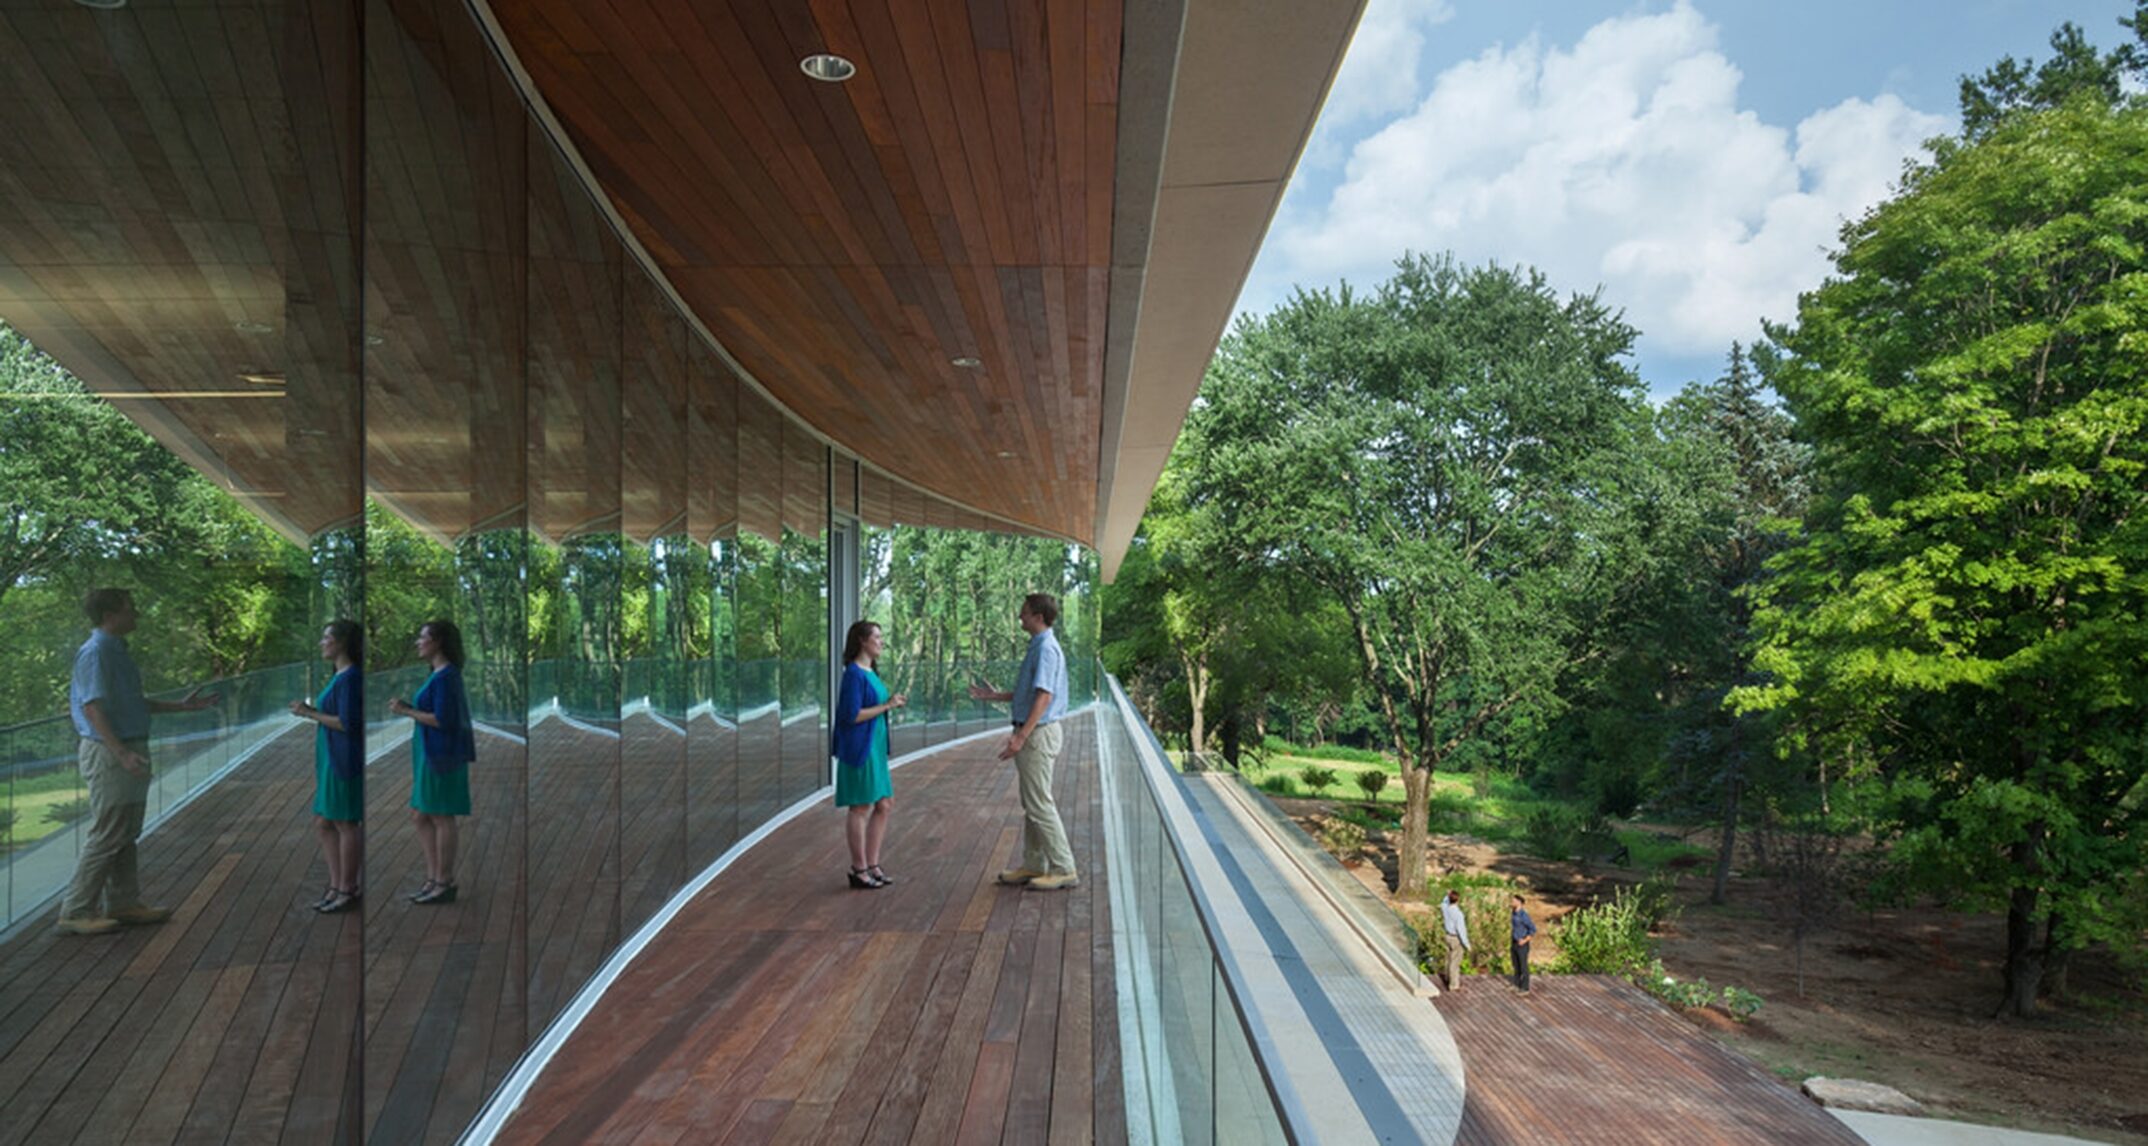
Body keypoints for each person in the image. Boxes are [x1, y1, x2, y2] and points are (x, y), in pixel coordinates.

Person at [57, 588, 219, 936]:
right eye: (131, 609)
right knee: (109, 831)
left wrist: (182, 707)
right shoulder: (96, 652)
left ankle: (123, 902)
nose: (138, 614)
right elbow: (92, 708)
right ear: (110, 614)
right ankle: (76, 909)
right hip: (111, 752)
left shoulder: (115, 651)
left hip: (127, 748)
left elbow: (129, 702)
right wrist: (122, 753)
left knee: (126, 830)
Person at [967, 593, 1077, 891]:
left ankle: (1064, 867)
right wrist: (995, 696)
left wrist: (1021, 736)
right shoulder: (1039, 646)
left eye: (1024, 612)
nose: (1020, 617)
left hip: (1038, 734)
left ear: (1038, 617)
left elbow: (1044, 696)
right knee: (1033, 802)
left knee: (1039, 803)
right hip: (1036, 732)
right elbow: (1031, 693)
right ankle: (1034, 864)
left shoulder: (1046, 650)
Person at [388, 619, 474, 905]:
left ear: (437, 642)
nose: (418, 642)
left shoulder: (447, 676)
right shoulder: (438, 674)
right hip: (428, 753)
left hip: (441, 755)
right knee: (420, 813)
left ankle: (443, 881)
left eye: (423, 637)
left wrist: (405, 711)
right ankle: (434, 876)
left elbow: (442, 719)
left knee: (439, 814)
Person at [290, 620, 364, 914]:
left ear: (342, 642)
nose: (322, 643)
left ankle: (347, 888)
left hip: (342, 760)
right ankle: (338, 884)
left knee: (345, 822)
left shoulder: (349, 678)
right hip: (330, 758)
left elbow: (347, 723)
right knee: (324, 822)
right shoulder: (339, 676)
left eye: (326, 638)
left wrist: (309, 714)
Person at [832, 620, 906, 889]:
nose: (882, 641)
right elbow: (851, 715)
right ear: (862, 640)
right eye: (877, 636)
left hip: (874, 748)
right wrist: (887, 705)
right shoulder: (853, 674)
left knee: (884, 804)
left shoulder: (870, 672)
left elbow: (874, 707)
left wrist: (891, 703)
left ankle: (873, 865)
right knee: (861, 806)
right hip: (860, 749)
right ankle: (859, 869)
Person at [1440, 889, 1471, 992]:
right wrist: (1466, 944)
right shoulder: (1458, 914)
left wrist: (1446, 895)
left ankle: (1448, 978)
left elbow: (1443, 902)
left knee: (1448, 958)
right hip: (1456, 938)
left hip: (1447, 936)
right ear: (1458, 900)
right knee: (1455, 961)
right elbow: (1461, 930)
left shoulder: (1445, 909)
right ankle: (1454, 985)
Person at [1510, 893, 1538, 992]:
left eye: (1513, 901)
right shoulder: (1513, 913)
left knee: (1523, 965)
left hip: (1522, 943)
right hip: (1514, 941)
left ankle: (1525, 987)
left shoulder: (1524, 916)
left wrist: (1525, 940)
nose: (1511, 902)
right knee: (1515, 964)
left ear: (1519, 902)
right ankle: (1516, 984)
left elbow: (1533, 929)